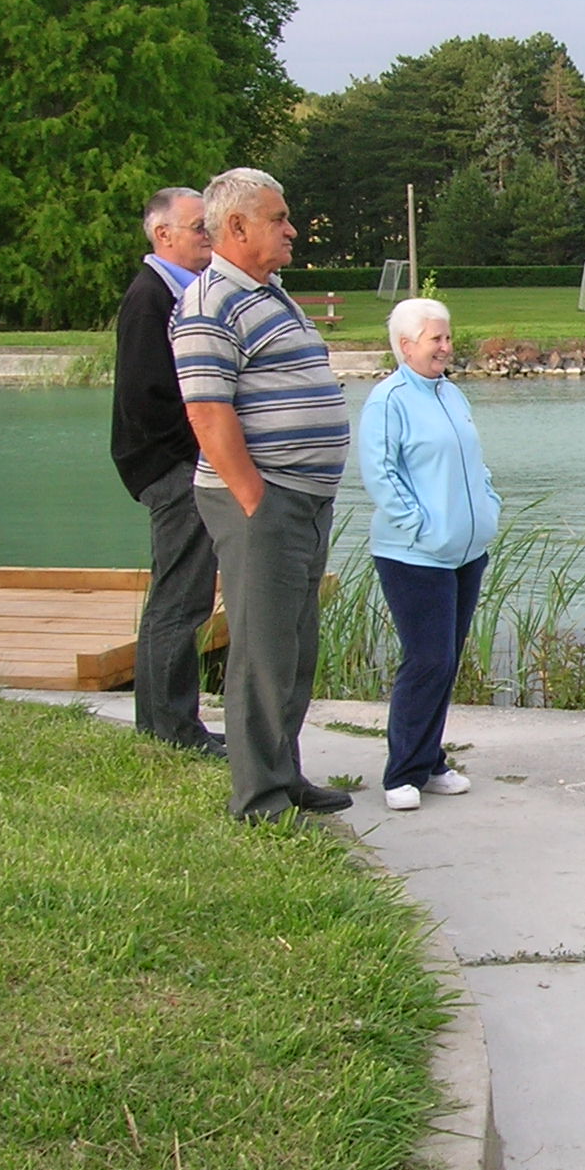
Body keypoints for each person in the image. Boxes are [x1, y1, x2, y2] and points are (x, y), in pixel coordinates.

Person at [173, 168, 353, 824]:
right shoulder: (207, 304)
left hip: (302, 497)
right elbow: (208, 415)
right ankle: (259, 799)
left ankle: (285, 774)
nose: (292, 229)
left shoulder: (269, 292)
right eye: (278, 218)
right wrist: (255, 499)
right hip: (263, 502)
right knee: (262, 649)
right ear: (237, 227)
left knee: (296, 646)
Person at [359, 298, 501, 811]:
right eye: (435, 338)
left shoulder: (451, 394)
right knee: (427, 659)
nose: (446, 346)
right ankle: (402, 772)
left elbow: (474, 462)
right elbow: (380, 474)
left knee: (446, 661)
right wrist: (423, 529)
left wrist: (488, 507)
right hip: (414, 555)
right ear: (405, 345)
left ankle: (430, 760)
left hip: (466, 551)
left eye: (447, 337)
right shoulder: (389, 400)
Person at [110, 186, 223, 757]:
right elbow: (148, 399)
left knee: (185, 596)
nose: (210, 235)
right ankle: (170, 729)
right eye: (200, 227)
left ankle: (167, 725)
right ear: (164, 235)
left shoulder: (180, 294)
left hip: (181, 464)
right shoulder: (150, 299)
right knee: (180, 599)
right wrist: (201, 455)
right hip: (173, 468)